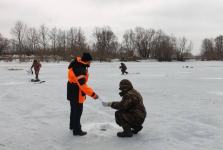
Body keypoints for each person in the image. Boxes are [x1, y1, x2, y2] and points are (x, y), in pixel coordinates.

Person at [67, 52, 99, 136]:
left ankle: (72, 126)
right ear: (86, 61)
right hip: (76, 91)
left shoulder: (77, 64)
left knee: (73, 109)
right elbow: (83, 86)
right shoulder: (79, 70)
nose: (90, 63)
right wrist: (93, 94)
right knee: (77, 111)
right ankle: (77, 130)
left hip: (72, 89)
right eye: (90, 62)